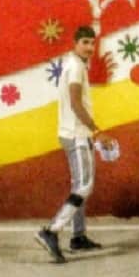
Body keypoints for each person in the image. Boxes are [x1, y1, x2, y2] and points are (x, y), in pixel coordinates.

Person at [35, 26, 107, 263]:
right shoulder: (76, 66)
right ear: (75, 43)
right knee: (84, 187)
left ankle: (78, 237)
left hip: (70, 133)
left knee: (79, 184)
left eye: (92, 43)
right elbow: (76, 103)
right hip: (77, 135)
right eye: (85, 42)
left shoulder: (72, 63)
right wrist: (96, 131)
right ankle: (51, 231)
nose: (89, 47)